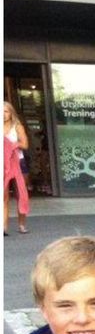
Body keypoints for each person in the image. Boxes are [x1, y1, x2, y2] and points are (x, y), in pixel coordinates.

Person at [3, 100, 31, 235]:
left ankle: (21, 224)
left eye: (6, 111)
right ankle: (4, 227)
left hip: (18, 162)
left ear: (11, 113)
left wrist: (14, 144)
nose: (3, 114)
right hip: (3, 164)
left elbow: (25, 145)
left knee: (21, 194)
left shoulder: (17, 126)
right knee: (4, 196)